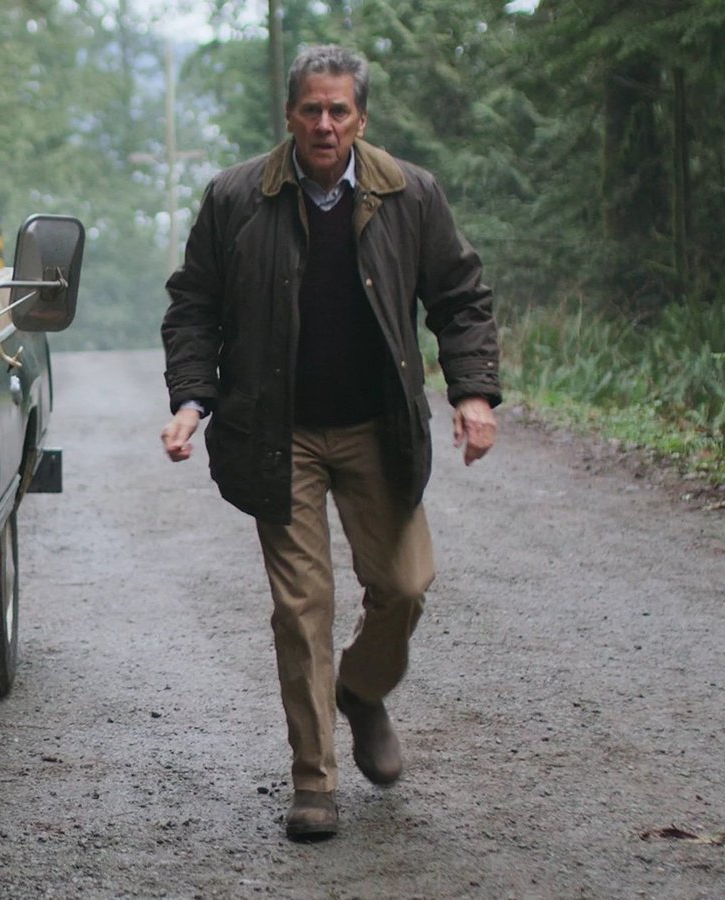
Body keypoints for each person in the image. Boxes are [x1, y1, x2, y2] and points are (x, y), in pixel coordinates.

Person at [159, 44, 501, 841]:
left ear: (361, 119)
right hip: (276, 434)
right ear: (289, 115)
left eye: (338, 110)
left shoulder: (411, 193)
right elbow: (194, 306)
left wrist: (473, 392)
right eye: (310, 109)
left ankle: (362, 690)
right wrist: (192, 400)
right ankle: (314, 781)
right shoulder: (237, 198)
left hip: (379, 429)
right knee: (302, 607)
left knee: (405, 584)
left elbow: (460, 297)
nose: (324, 123)